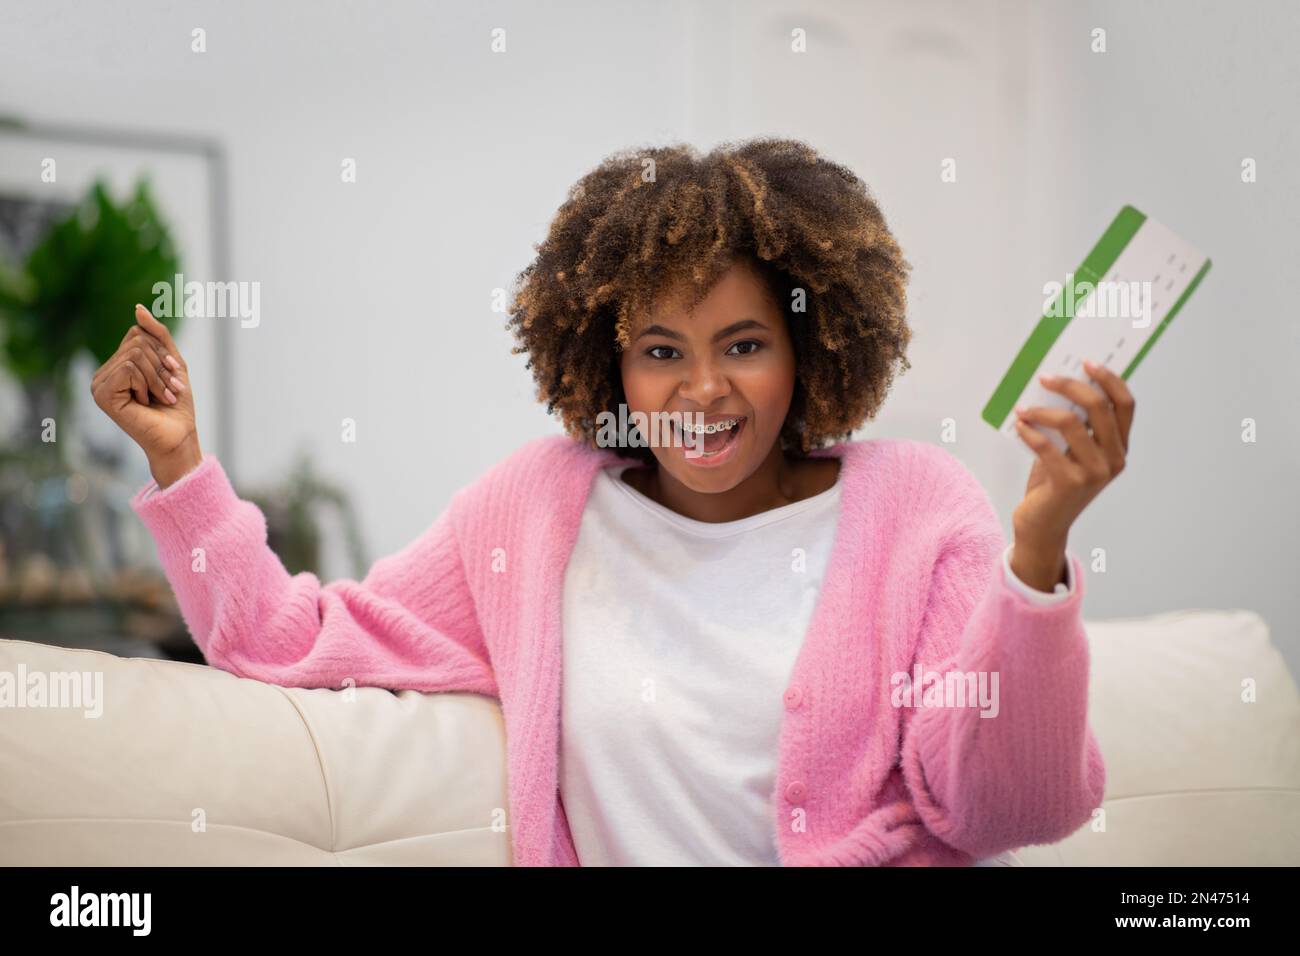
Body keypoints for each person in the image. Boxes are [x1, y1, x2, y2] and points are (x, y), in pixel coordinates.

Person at [91, 138, 1128, 866]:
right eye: (660, 352)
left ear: (809, 350)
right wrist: (181, 464)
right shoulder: (536, 512)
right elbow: (287, 638)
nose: (703, 390)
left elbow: (1006, 807)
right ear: (607, 364)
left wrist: (1035, 549)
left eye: (745, 345)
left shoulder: (917, 503)